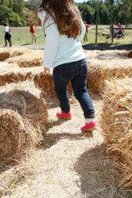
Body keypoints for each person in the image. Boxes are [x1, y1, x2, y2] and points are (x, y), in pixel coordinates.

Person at [37, 0, 96, 132]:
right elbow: (82, 30)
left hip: (63, 65)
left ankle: (66, 112)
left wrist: (47, 63)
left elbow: (52, 41)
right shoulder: (71, 9)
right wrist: (74, 44)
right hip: (81, 60)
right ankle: (90, 120)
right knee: (81, 91)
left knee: (60, 89)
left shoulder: (47, 14)